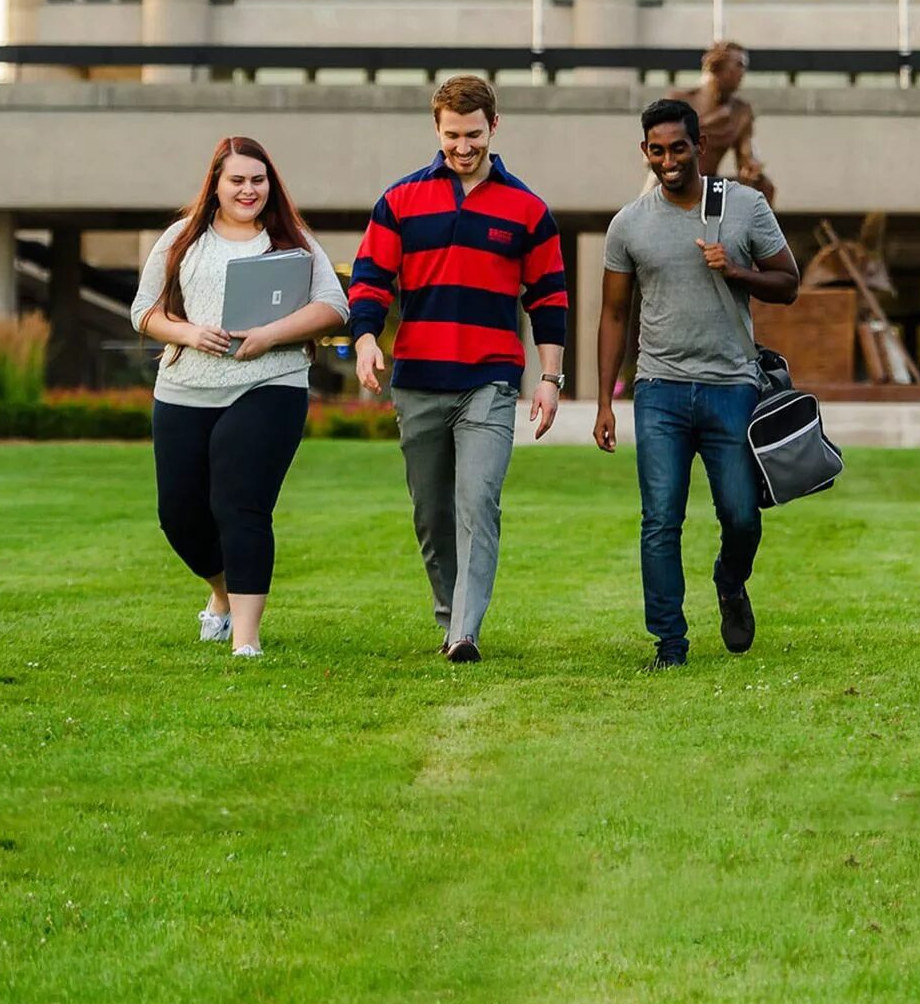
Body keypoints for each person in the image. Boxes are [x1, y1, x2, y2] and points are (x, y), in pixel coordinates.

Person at [347, 75, 569, 664]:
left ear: (494, 127)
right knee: (432, 512)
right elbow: (369, 280)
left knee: (477, 501)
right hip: (418, 378)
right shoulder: (399, 201)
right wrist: (367, 338)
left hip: (489, 380)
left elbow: (548, 299)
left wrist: (550, 379)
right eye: (451, 136)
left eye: (473, 135)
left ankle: (465, 631)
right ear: (436, 128)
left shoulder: (527, 210)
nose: (462, 147)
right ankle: (450, 617)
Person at [592, 99, 799, 672]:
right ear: (645, 153)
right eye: (656, 150)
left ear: (699, 146)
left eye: (678, 148)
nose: (668, 160)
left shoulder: (743, 207)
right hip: (658, 389)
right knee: (660, 518)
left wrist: (736, 271)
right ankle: (669, 643)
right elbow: (613, 315)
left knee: (741, 515)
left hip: (732, 387)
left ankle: (730, 583)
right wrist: (605, 402)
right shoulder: (628, 223)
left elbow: (789, 282)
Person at [131, 136, 349, 658]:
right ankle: (222, 595)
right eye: (237, 180)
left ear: (270, 185)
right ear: (216, 185)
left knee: (240, 504)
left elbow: (335, 307)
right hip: (185, 388)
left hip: (268, 385)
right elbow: (144, 310)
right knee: (179, 515)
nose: (248, 190)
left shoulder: (292, 241)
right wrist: (186, 332)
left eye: (258, 180)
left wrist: (271, 334)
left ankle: (246, 642)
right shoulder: (181, 238)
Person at [668, 41, 775, 203]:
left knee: (763, 187)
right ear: (717, 66)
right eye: (739, 65)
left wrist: (751, 167)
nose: (743, 72)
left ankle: (760, 228)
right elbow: (657, 151)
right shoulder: (680, 101)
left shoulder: (741, 111)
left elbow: (747, 156)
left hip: (709, 183)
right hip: (673, 176)